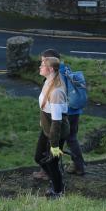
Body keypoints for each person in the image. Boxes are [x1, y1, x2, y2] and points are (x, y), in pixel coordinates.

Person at [42, 48, 86, 176]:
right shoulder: (65, 68)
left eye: (43, 61)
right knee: (72, 139)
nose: (42, 63)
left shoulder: (56, 74)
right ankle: (79, 166)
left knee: (54, 139)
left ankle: (48, 171)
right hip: (75, 110)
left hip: (65, 112)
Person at [35, 55, 69, 197]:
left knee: (51, 163)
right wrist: (43, 123)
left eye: (42, 65)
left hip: (56, 133)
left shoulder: (56, 92)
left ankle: (58, 191)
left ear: (49, 69)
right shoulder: (48, 80)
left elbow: (57, 122)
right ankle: (57, 181)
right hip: (47, 129)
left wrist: (54, 145)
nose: (40, 67)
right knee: (39, 158)